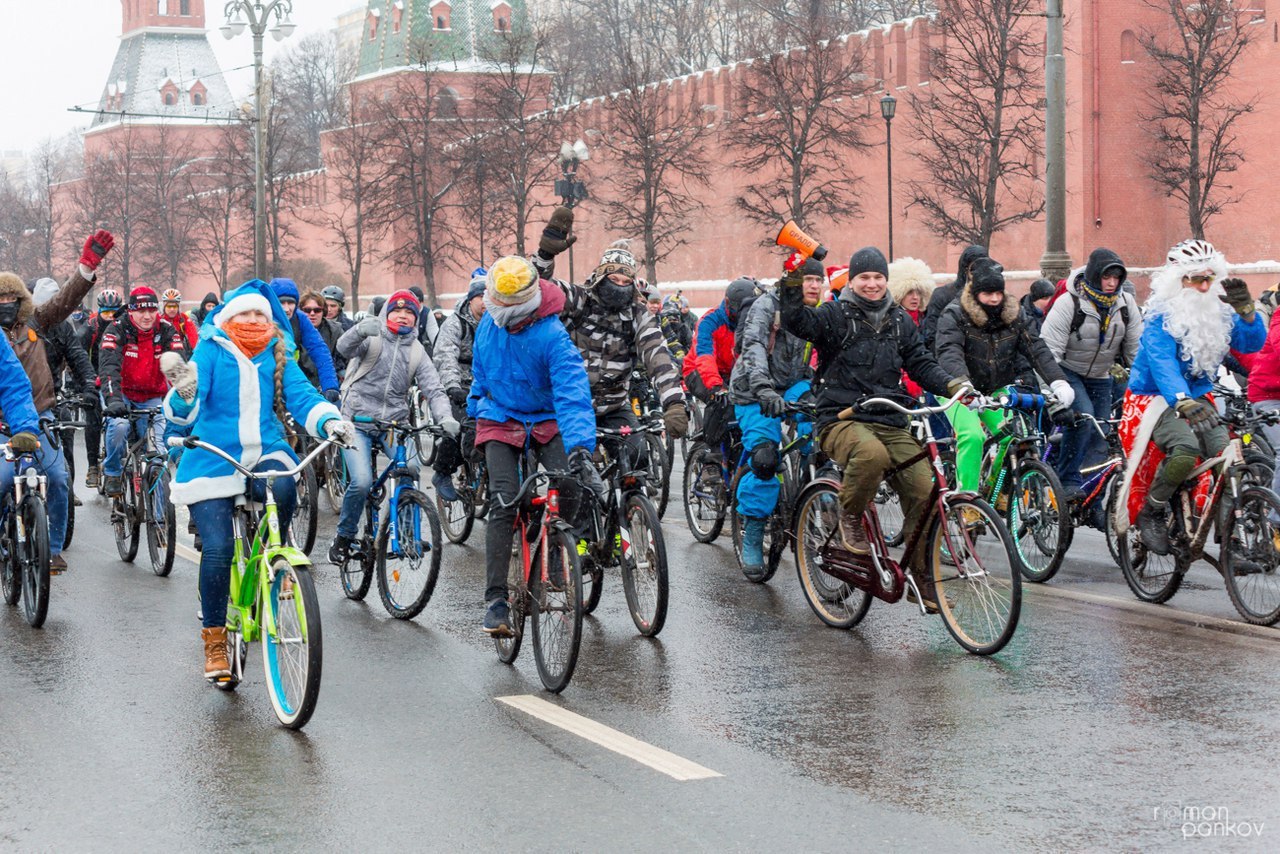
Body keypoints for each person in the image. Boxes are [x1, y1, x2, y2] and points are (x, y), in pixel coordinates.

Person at [161, 280, 351, 680]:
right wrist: (184, 393)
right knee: (217, 549)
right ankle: (214, 639)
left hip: (265, 447)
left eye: (259, 314)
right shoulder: (211, 349)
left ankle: (273, 556)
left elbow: (302, 396)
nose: (252, 320)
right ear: (229, 317)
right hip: (214, 455)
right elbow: (185, 412)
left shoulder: (277, 351)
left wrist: (330, 420)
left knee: (284, 483)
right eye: (244, 313)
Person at [780, 246, 965, 611]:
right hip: (841, 418)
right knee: (871, 455)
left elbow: (920, 363)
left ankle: (920, 575)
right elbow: (798, 321)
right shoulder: (835, 314)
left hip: (889, 418)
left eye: (879, 277)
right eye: (864, 277)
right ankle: (850, 515)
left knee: (925, 490)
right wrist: (791, 280)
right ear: (853, 280)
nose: (872, 284)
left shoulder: (901, 320)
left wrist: (953, 385)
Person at [467, 256, 603, 636]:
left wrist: (579, 447)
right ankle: (496, 600)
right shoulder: (488, 327)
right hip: (499, 416)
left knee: (569, 485)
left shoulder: (553, 335)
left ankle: (559, 557)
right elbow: (479, 375)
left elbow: (573, 394)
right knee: (504, 500)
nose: (503, 309)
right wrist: (471, 414)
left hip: (546, 418)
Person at [1123, 240, 1265, 555]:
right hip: (1155, 397)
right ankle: (1153, 510)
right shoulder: (1160, 317)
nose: (1204, 287)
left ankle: (1233, 541)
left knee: (1227, 457)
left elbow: (1250, 344)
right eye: (1196, 279)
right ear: (1179, 281)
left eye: (1209, 278)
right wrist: (1180, 399)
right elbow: (1162, 364)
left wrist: (1248, 315)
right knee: (1185, 449)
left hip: (1198, 396)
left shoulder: (1217, 310)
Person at [530, 209, 689, 470]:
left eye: (626, 281)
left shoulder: (638, 314)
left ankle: (630, 504)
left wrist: (673, 402)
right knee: (577, 475)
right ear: (602, 276)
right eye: (613, 278)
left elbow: (657, 354)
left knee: (638, 459)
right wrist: (545, 255)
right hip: (570, 404)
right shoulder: (580, 299)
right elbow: (536, 288)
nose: (619, 285)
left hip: (614, 405)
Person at [0, 230, 115, 572]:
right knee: (4, 480)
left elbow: (65, 300)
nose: (6, 305)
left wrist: (86, 267)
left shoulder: (37, 322)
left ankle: (51, 548)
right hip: (1, 426)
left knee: (60, 477)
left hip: (40, 417)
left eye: (11, 298)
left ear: (22, 301)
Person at [327, 290, 458, 564]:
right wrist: (359, 331)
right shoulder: (371, 338)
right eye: (397, 311)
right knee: (362, 482)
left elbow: (433, 389)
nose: (403, 316)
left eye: (410, 312)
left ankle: (408, 534)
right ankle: (344, 537)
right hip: (357, 420)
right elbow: (342, 349)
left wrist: (445, 417)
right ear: (386, 312)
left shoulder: (418, 351)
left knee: (410, 469)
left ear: (416, 318)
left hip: (393, 422)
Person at [934, 257, 1073, 496]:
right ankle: (967, 501)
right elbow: (949, 351)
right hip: (955, 388)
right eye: (988, 293)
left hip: (993, 386)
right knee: (973, 436)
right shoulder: (955, 314)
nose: (995, 299)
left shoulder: (1014, 314)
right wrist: (964, 385)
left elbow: (1036, 348)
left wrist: (1058, 381)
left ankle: (994, 489)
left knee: (1013, 436)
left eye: (998, 292)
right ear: (975, 292)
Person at [729, 259, 820, 578]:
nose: (813, 285)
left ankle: (816, 498)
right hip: (754, 390)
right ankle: (753, 534)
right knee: (766, 457)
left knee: (823, 436)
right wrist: (764, 389)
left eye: (817, 280)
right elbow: (752, 346)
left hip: (794, 384)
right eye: (806, 279)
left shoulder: (818, 309)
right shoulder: (767, 305)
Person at [1041, 249, 1143, 498]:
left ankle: (1092, 496)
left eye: (1117, 278)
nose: (1112, 283)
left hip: (1100, 375)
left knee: (1103, 432)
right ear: (1095, 275)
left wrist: (1142, 387)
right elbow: (1046, 352)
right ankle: (1068, 481)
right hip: (1068, 371)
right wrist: (1053, 394)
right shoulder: (1069, 303)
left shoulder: (1125, 305)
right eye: (1107, 277)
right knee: (1084, 419)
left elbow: (1136, 352)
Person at [100, 286, 188, 498]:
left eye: (152, 310)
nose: (147, 316)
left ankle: (160, 518)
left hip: (152, 396)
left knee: (159, 450)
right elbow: (109, 366)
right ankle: (112, 471)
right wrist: (113, 400)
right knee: (119, 427)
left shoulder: (166, 329)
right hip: (121, 395)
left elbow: (179, 365)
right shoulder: (116, 329)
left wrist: (185, 400)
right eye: (141, 311)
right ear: (131, 311)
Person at [683, 276, 762, 478]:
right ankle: (711, 453)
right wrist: (716, 386)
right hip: (698, 370)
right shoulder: (710, 321)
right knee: (719, 400)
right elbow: (705, 356)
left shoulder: (752, 321)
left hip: (732, 373)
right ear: (728, 304)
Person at [31, 280, 96, 481]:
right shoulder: (22, 326)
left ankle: (68, 485)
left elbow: (77, 357)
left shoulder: (63, 328)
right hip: (22, 396)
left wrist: (89, 385)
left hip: (52, 395)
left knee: (65, 428)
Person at [431, 270, 486, 502]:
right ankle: (442, 472)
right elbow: (445, 355)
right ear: (471, 299)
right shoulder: (456, 324)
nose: (486, 303)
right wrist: (453, 386)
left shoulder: (498, 322)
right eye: (481, 297)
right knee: (456, 424)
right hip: (458, 382)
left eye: (490, 297)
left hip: (485, 383)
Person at [268, 278, 341, 402]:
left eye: (290, 303)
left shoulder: (300, 319)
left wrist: (330, 386)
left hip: (290, 375)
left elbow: (319, 350)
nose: (286, 309)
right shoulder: (262, 318)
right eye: (281, 303)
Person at [82, 288, 124, 489]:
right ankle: (92, 466)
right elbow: (80, 356)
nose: (109, 317)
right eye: (105, 312)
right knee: (93, 419)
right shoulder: (90, 328)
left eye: (113, 312)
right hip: (95, 375)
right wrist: (87, 382)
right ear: (99, 311)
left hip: (117, 377)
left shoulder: (124, 326)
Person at [920, 244, 988, 352]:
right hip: (948, 358)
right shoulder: (942, 295)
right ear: (965, 268)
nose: (978, 272)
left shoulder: (990, 297)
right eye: (974, 268)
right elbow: (931, 335)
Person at [889, 257, 936, 398]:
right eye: (909, 292)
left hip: (928, 386)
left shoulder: (927, 318)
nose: (915, 297)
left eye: (919, 292)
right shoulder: (892, 321)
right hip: (902, 390)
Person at [298, 290, 347, 384]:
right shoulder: (293, 331)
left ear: (323, 311)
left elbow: (345, 359)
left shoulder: (335, 331)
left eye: (317, 310)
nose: (312, 314)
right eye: (307, 310)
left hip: (329, 383)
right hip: (301, 384)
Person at [160, 288, 199, 355]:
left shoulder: (184, 319)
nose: (172, 309)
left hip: (179, 353)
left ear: (178, 307)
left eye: (174, 306)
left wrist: (197, 354)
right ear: (164, 307)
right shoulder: (159, 320)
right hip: (162, 354)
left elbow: (193, 337)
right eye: (169, 306)